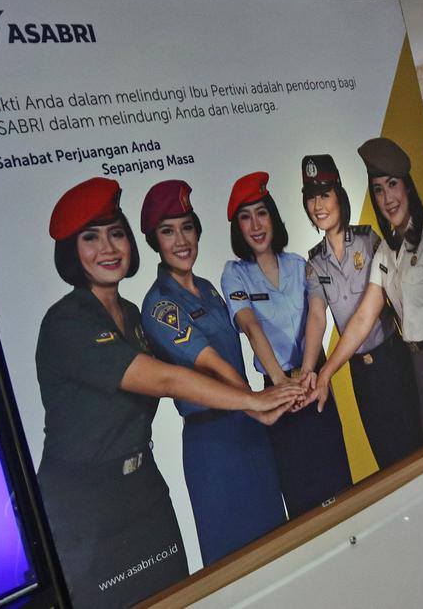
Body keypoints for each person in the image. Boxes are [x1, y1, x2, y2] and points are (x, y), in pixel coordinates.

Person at [35, 177, 302, 607]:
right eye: (91, 238)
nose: (107, 248)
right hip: (89, 499)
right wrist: (256, 399)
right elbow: (168, 377)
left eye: (115, 234)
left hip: (148, 482)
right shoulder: (75, 321)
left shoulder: (134, 315)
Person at [138, 180, 289, 565]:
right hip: (214, 444)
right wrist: (255, 402)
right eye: (167, 231)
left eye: (187, 227)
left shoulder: (208, 288)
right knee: (236, 561)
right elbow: (210, 362)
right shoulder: (159, 305)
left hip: (250, 432)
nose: (181, 240)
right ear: (155, 241)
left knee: (279, 543)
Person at [305, 138, 423, 443]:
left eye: (392, 185)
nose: (387, 198)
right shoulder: (386, 253)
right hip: (414, 367)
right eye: (378, 189)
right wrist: (324, 374)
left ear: (407, 187)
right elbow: (362, 319)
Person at [221, 171, 354, 514]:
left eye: (261, 213)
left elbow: (315, 316)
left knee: (340, 487)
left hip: (314, 384)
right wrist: (281, 383)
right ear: (238, 228)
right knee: (302, 498)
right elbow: (250, 326)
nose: (255, 225)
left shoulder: (301, 265)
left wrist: (307, 373)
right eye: (245, 218)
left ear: (273, 217)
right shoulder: (235, 273)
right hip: (278, 395)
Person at [299, 154, 423, 469]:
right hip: (360, 372)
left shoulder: (369, 242)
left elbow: (366, 316)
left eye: (325, 195)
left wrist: (325, 372)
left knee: (417, 448)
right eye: (312, 198)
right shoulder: (315, 262)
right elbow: (316, 316)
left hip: (393, 360)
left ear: (339, 196)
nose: (319, 205)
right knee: (387, 459)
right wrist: (307, 371)